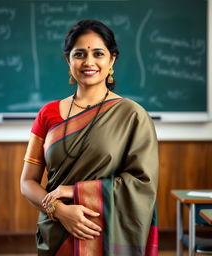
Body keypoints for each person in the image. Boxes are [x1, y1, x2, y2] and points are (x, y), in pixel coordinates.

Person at [20, 19, 159, 256]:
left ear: (112, 59)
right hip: (56, 232)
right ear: (68, 60)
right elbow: (27, 183)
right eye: (80, 54)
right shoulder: (48, 114)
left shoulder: (132, 115)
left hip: (108, 233)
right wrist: (60, 211)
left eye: (98, 53)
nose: (89, 62)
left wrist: (72, 190)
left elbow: (141, 184)